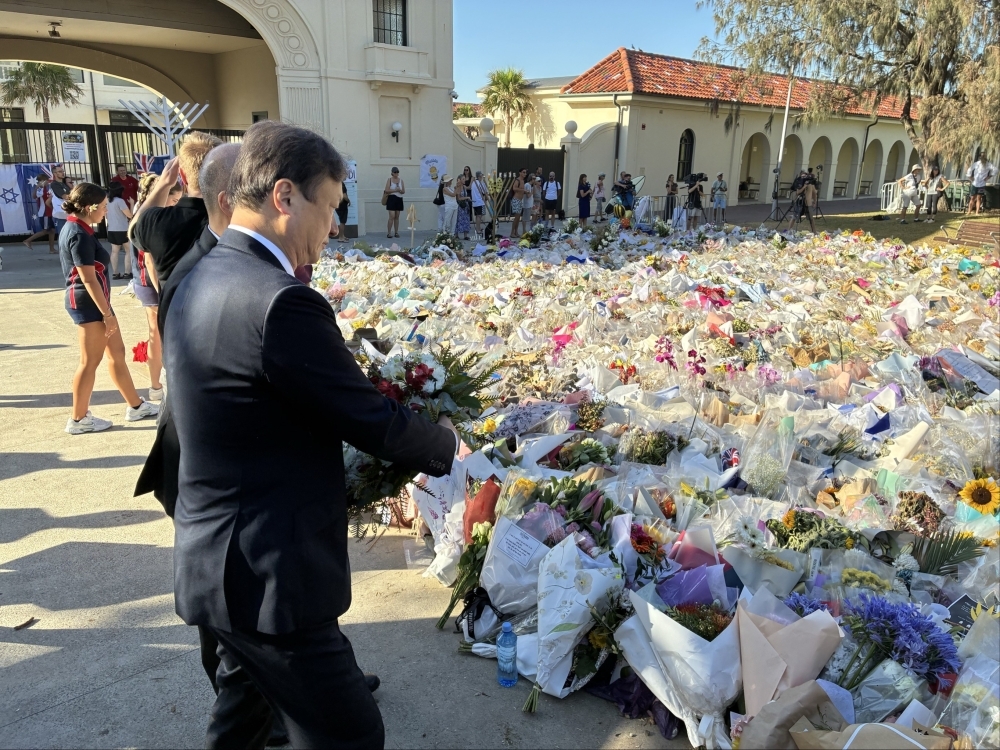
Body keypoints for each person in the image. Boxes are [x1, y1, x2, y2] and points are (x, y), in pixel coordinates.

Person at [164, 120, 458, 748]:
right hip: (270, 576)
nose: (333, 227)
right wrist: (449, 446)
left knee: (242, 724)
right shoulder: (280, 300)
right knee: (350, 735)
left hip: (218, 559)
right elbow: (365, 415)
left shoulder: (201, 277)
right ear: (284, 196)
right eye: (330, 208)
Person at [59, 182, 159, 434]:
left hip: (98, 302)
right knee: (89, 361)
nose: (106, 211)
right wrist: (106, 314)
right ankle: (79, 419)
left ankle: (136, 406)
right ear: (89, 207)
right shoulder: (77, 233)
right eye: (103, 207)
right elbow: (88, 278)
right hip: (88, 303)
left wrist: (107, 312)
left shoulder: (80, 227)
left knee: (117, 352)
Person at [132, 132, 223, 283]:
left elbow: (134, 228)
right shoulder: (237, 219)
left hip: (173, 305)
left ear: (182, 174)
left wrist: (163, 184)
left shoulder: (157, 222)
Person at [105, 182, 134, 280]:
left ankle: (115, 273)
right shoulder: (120, 201)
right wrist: (132, 204)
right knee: (128, 250)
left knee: (114, 251)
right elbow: (130, 215)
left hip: (111, 229)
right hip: (122, 229)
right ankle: (127, 272)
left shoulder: (107, 201)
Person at [23, 174, 56, 253]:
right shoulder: (40, 188)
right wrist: (39, 187)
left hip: (49, 212)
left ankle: (52, 249)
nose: (47, 182)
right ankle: (28, 240)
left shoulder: (45, 188)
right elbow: (36, 196)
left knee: (52, 231)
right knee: (46, 230)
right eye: (46, 180)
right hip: (45, 212)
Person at [49, 165, 71, 234]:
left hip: (67, 213)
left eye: (63, 171)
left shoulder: (64, 184)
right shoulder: (54, 184)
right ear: (55, 174)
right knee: (62, 235)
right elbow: (65, 196)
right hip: (60, 215)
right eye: (60, 171)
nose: (62, 173)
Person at [383, 167, 404, 238]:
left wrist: (400, 190)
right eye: (395, 172)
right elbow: (386, 190)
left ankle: (396, 232)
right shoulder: (389, 180)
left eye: (397, 172)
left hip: (399, 199)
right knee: (392, 216)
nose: (396, 173)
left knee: (397, 216)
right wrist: (395, 190)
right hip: (392, 198)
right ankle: (389, 232)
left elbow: (403, 191)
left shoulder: (401, 180)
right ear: (392, 173)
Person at [509, 168, 526, 237]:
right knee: (516, 217)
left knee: (518, 217)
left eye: (525, 172)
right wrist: (522, 190)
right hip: (516, 200)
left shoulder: (523, 181)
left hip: (520, 200)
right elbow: (514, 188)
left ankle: (516, 232)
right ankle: (512, 232)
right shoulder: (517, 180)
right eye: (523, 172)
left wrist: (525, 191)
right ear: (520, 173)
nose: (525, 174)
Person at [471, 170, 487, 236]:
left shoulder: (474, 183)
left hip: (475, 202)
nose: (482, 177)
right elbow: (484, 192)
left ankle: (478, 228)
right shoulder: (480, 183)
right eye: (481, 176)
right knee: (479, 216)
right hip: (480, 201)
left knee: (478, 216)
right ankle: (478, 229)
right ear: (479, 176)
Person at [455, 175, 472, 240]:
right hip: (460, 206)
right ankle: (456, 235)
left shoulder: (464, 187)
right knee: (458, 220)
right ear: (459, 180)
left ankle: (465, 235)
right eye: (463, 179)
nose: (464, 180)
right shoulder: (458, 188)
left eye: (464, 179)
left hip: (465, 205)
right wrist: (467, 197)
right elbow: (458, 198)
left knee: (466, 220)